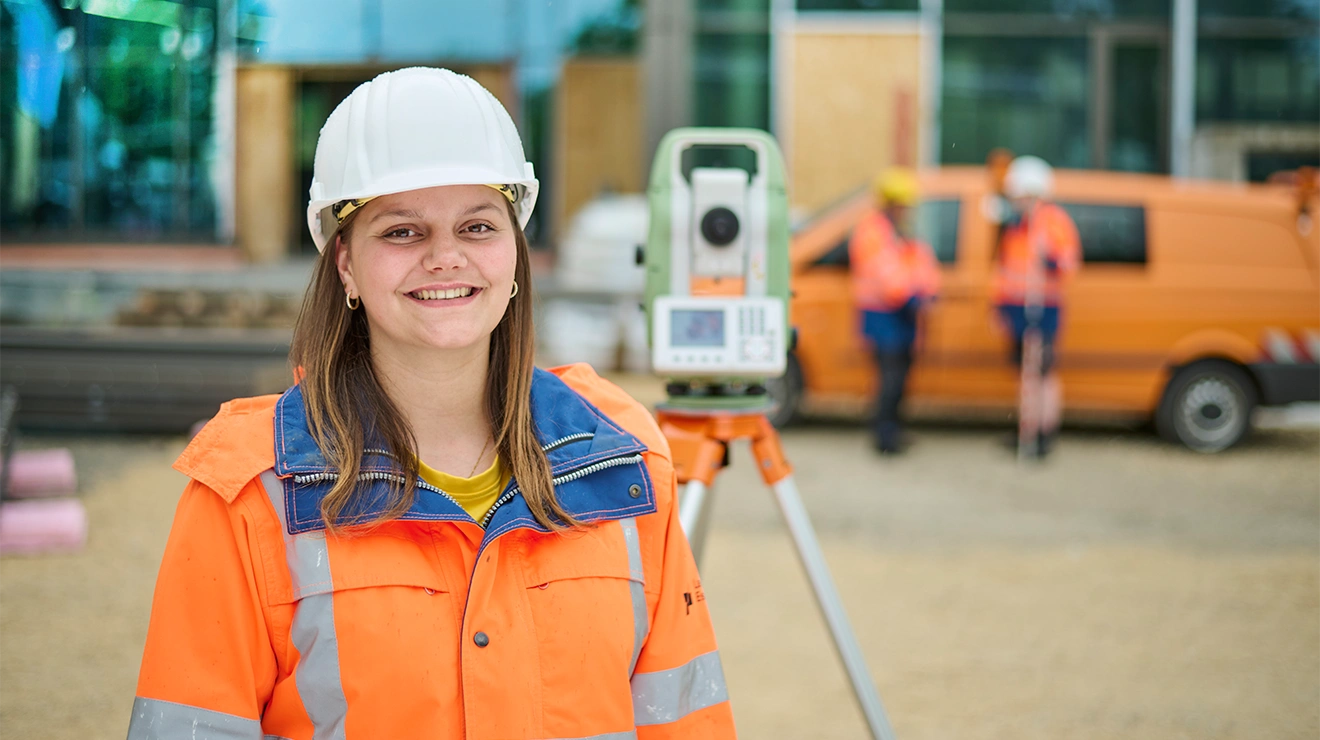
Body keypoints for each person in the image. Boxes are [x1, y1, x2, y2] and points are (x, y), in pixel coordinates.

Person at [127, 68, 735, 739]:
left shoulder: (621, 459)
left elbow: (685, 720)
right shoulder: (252, 492)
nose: (447, 257)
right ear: (346, 262)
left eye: (477, 227)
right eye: (401, 232)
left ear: (515, 254)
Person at [993, 155, 1081, 458]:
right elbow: (1006, 269)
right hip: (1018, 308)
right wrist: (1001, 306)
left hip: (1043, 307)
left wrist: (1051, 261)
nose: (1015, 201)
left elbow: (1069, 262)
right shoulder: (1017, 226)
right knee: (1025, 373)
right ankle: (1026, 427)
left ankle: (1044, 433)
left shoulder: (1052, 221)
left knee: (1042, 372)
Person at [848, 167, 941, 454]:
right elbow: (884, 272)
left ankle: (895, 429)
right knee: (888, 378)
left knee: (901, 377)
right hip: (883, 315)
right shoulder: (873, 232)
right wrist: (911, 296)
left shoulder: (900, 232)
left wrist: (928, 291)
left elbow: (921, 263)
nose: (906, 210)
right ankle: (884, 436)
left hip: (904, 314)